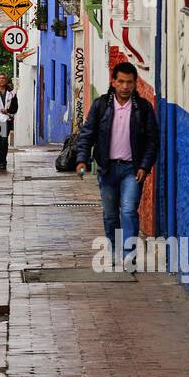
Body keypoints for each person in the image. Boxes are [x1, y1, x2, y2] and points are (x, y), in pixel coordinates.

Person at [74, 62, 159, 272]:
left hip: (132, 169)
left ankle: (129, 256)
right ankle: (113, 250)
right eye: (121, 81)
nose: (125, 86)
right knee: (110, 213)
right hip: (107, 168)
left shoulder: (143, 108)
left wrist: (144, 166)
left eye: (129, 82)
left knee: (129, 210)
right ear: (113, 82)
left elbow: (152, 141)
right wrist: (82, 159)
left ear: (134, 83)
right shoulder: (101, 105)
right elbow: (87, 134)